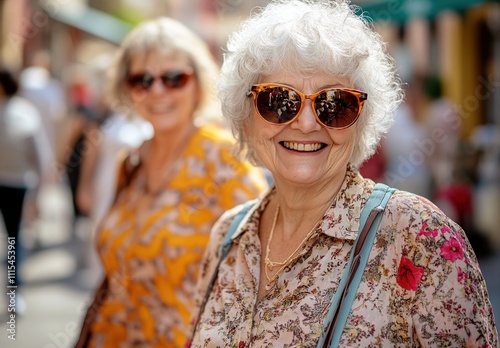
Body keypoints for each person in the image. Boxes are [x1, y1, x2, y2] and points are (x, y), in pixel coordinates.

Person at [187, 1, 499, 347]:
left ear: (361, 120)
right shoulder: (228, 237)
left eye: (334, 104)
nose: (306, 123)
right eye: (279, 101)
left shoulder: (421, 237)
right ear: (245, 114)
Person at [75, 17, 269, 347]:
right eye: (142, 79)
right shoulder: (131, 161)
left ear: (198, 83)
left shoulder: (225, 160)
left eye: (174, 78)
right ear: (127, 88)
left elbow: (264, 275)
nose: (157, 91)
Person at [0, 67, 53, 314]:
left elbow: (41, 158)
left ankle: (13, 291)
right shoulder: (24, 112)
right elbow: (42, 158)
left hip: (17, 184)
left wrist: (39, 193)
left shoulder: (24, 113)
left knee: (13, 241)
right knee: (13, 240)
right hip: (15, 183)